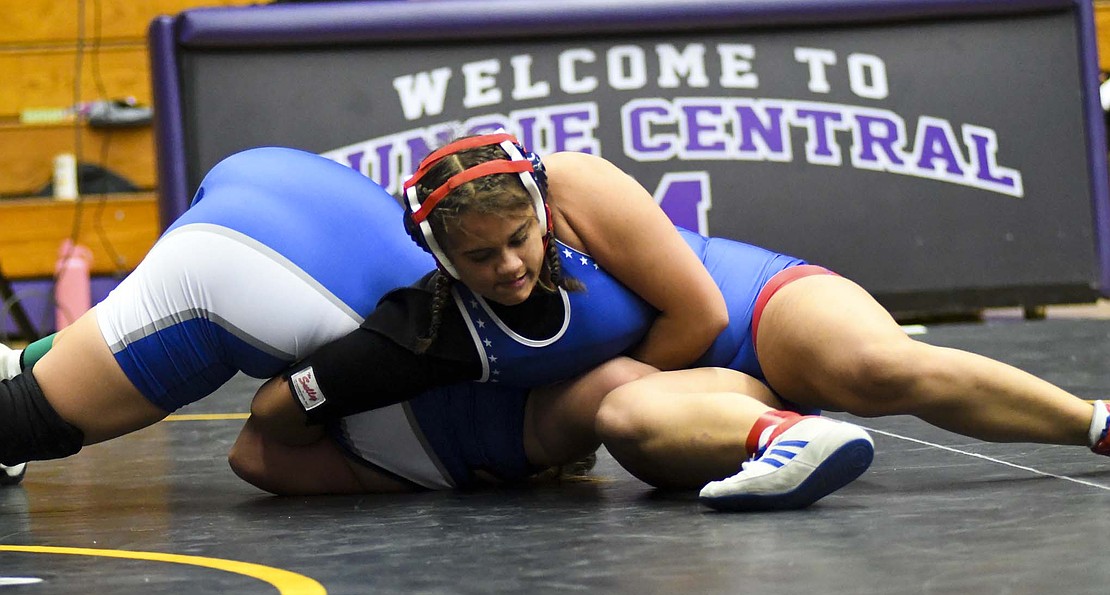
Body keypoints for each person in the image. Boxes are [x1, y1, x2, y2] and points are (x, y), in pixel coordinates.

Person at [237, 131, 1110, 511]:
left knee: (876, 367)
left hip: (744, 306)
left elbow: (696, 309)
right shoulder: (428, 322)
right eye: (480, 257)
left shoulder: (576, 185)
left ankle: (1097, 423)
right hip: (678, 382)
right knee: (623, 412)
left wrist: (599, 413)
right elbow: (266, 432)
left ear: (540, 211)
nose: (508, 265)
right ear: (439, 256)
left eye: (520, 239)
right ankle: (781, 438)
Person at [0, 144, 873, 512]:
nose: (512, 263)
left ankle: (21, 366)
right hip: (269, 264)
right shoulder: (449, 344)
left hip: (308, 203)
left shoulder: (551, 270)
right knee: (38, 420)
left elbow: (268, 434)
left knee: (61, 376)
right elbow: (262, 435)